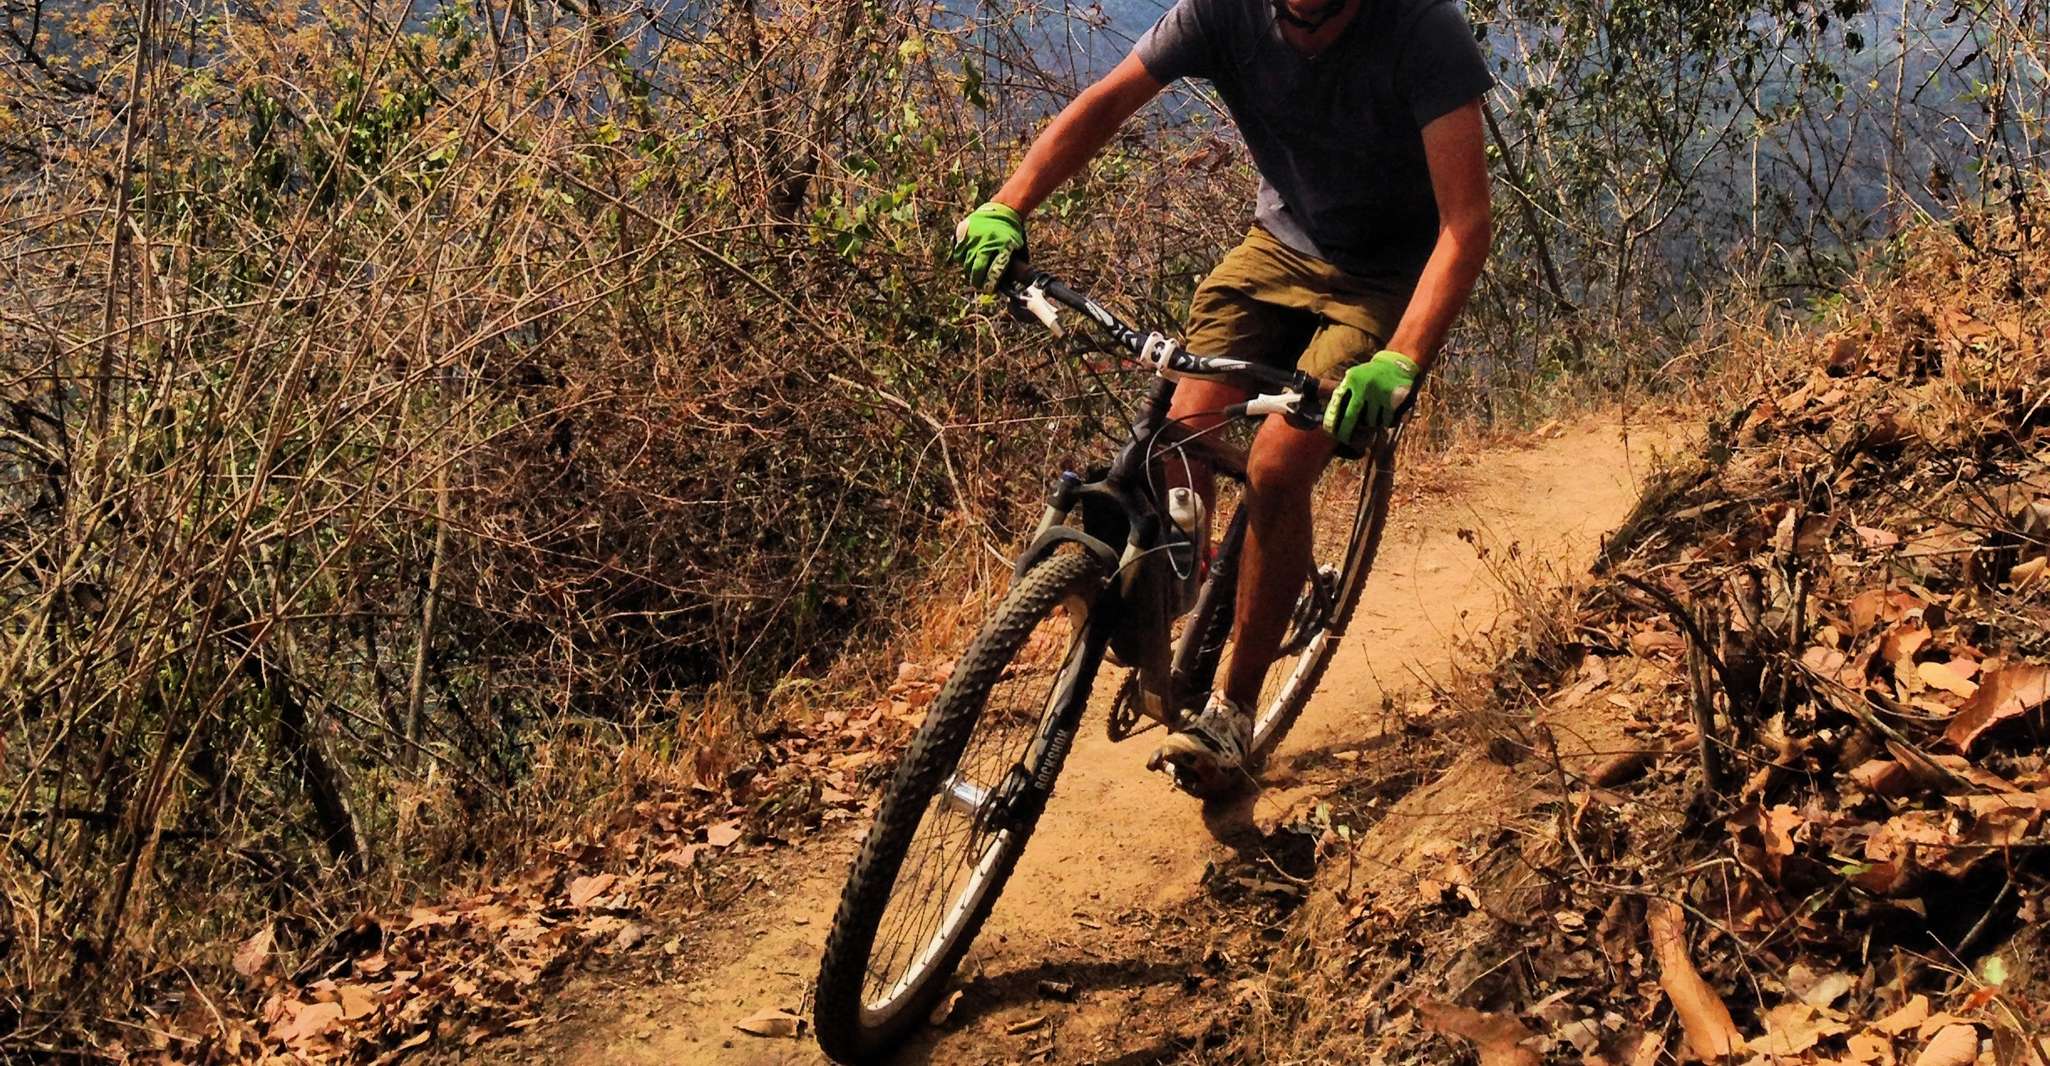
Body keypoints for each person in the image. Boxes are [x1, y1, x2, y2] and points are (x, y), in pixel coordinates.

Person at [952, 0, 1495, 795]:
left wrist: (1403, 358)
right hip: (1279, 248)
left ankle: (1233, 713)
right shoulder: (1220, 11)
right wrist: (1010, 203)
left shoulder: (1420, 28)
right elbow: (1106, 103)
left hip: (1387, 281)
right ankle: (1199, 584)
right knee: (1184, 425)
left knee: (1278, 468)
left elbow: (1465, 224)